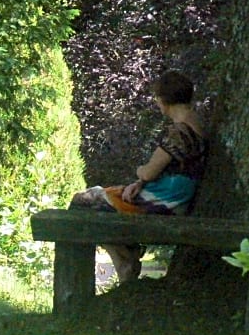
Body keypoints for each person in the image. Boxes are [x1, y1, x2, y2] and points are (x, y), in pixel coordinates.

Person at [69, 70, 207, 282]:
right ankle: (126, 254)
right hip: (174, 194)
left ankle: (123, 260)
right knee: (105, 196)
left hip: (166, 200)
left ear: (163, 100)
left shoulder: (179, 132)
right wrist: (139, 182)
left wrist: (140, 173)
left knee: (83, 202)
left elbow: (150, 171)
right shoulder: (199, 125)